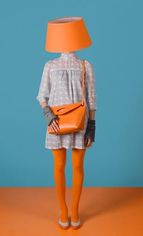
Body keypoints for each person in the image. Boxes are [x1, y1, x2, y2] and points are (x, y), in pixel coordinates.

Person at [36, 50, 97, 229]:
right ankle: (63, 210)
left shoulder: (86, 65)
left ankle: (75, 209)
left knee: (78, 166)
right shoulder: (50, 65)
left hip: (80, 122)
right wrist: (48, 115)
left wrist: (92, 126)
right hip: (57, 121)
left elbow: (91, 97)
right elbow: (42, 95)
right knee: (59, 166)